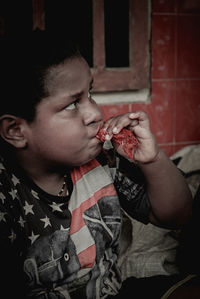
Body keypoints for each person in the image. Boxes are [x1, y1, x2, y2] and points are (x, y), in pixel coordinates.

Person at [0, 31, 192, 299]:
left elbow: (175, 216)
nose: (95, 113)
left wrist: (154, 160)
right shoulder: (7, 194)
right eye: (71, 105)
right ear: (16, 131)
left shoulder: (102, 159)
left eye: (90, 93)